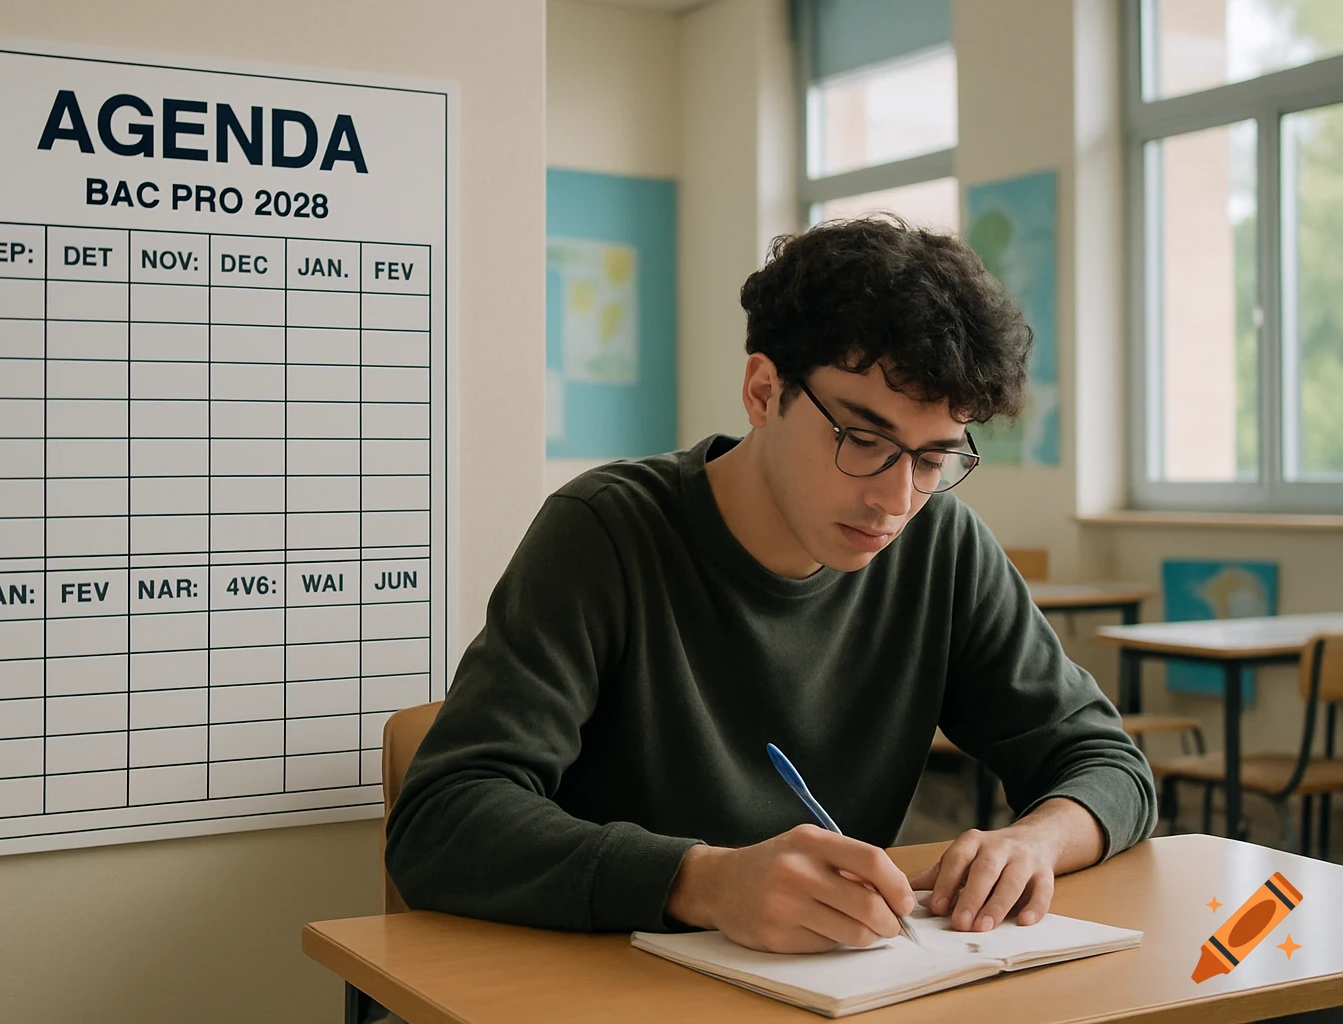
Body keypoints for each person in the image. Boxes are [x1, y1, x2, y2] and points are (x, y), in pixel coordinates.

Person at [385, 215, 1156, 954]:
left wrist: (1037, 840)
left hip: (831, 988)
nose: (895, 501)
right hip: (608, 986)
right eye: (863, 439)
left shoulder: (941, 545)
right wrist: (704, 882)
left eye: (932, 460)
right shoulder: (605, 533)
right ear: (761, 392)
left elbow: (1106, 762)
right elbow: (441, 821)